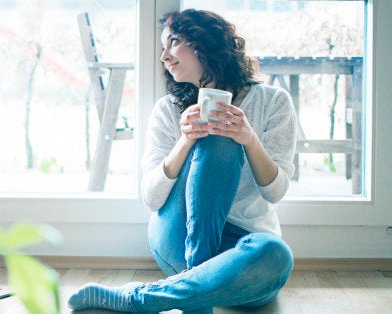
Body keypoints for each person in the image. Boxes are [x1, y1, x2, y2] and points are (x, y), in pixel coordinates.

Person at [68, 8, 297, 313]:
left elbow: (276, 192)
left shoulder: (273, 102)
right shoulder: (168, 109)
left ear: (206, 43)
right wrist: (185, 140)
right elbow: (152, 197)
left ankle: (144, 297)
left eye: (173, 41)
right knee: (216, 138)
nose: (164, 56)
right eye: (163, 46)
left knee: (276, 254)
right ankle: (197, 283)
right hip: (179, 236)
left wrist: (249, 138)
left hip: (243, 250)